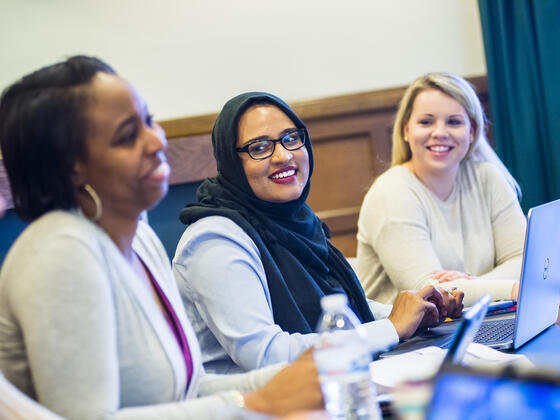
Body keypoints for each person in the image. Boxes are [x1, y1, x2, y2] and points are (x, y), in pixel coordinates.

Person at [0, 56, 324, 420]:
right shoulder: (61, 253)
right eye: (127, 136)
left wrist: (306, 378)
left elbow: (187, 389)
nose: (156, 140)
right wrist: (253, 405)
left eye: (149, 121)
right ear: (69, 166)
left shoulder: (137, 234)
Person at [173, 92, 464, 374]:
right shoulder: (215, 240)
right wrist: (391, 327)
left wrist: (412, 314)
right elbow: (266, 355)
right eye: (260, 147)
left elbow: (338, 309)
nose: (283, 155)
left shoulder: (296, 221)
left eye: (291, 139)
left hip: (330, 386)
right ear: (232, 162)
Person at [356, 72, 526, 307]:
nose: (439, 132)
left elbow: (524, 260)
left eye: (454, 122)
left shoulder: (488, 177)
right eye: (426, 122)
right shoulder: (391, 192)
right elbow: (431, 293)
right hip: (409, 341)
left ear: (472, 131)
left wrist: (475, 283)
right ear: (406, 130)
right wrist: (511, 289)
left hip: (476, 321)